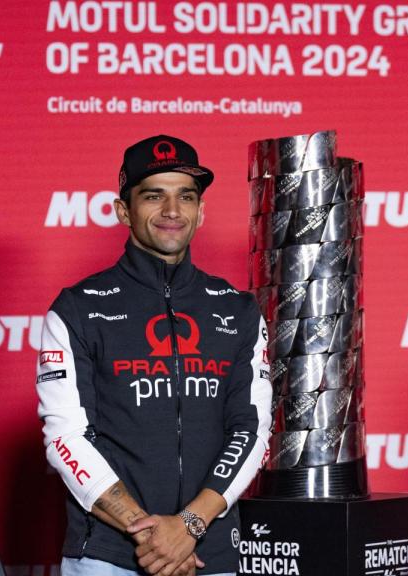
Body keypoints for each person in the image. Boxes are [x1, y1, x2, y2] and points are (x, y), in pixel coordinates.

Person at [37, 135, 272, 576]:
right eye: (153, 196)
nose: (172, 211)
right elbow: (66, 438)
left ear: (200, 212)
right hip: (108, 556)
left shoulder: (237, 309)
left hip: (209, 554)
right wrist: (152, 536)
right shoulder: (77, 308)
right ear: (123, 210)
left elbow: (252, 431)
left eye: (186, 196)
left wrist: (189, 525)